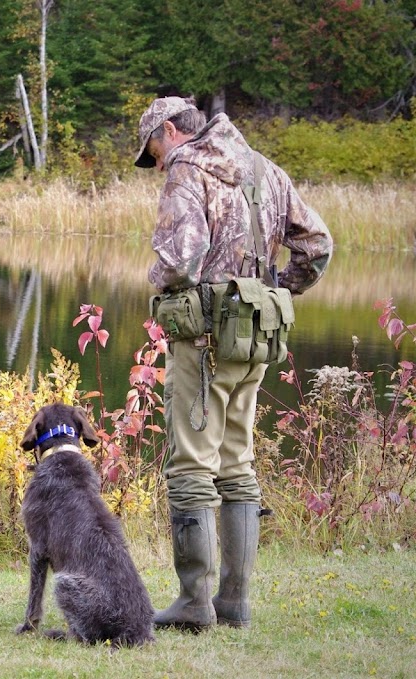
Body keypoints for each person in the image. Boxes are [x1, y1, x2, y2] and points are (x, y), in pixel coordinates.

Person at [134, 96, 333, 630]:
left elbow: (181, 260)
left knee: (191, 465)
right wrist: (272, 292)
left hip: (202, 340)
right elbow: (317, 245)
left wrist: (157, 285)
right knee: (237, 464)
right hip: (256, 339)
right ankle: (235, 604)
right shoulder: (264, 168)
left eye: (152, 149)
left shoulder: (186, 169)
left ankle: (195, 604)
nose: (155, 164)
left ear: (172, 132)